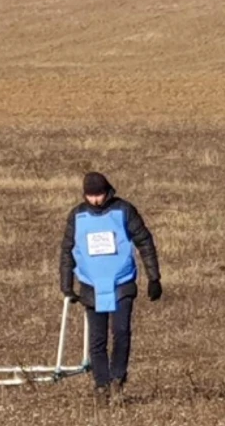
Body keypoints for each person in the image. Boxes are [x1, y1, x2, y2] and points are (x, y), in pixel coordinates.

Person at [59, 172, 162, 407]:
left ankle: (118, 379)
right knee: (97, 339)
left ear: (108, 191)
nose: (95, 200)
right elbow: (67, 251)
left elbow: (145, 241)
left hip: (122, 282)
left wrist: (154, 278)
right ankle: (101, 386)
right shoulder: (77, 216)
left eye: (99, 195)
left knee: (121, 332)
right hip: (90, 284)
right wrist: (66, 285)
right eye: (90, 195)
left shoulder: (124, 210)